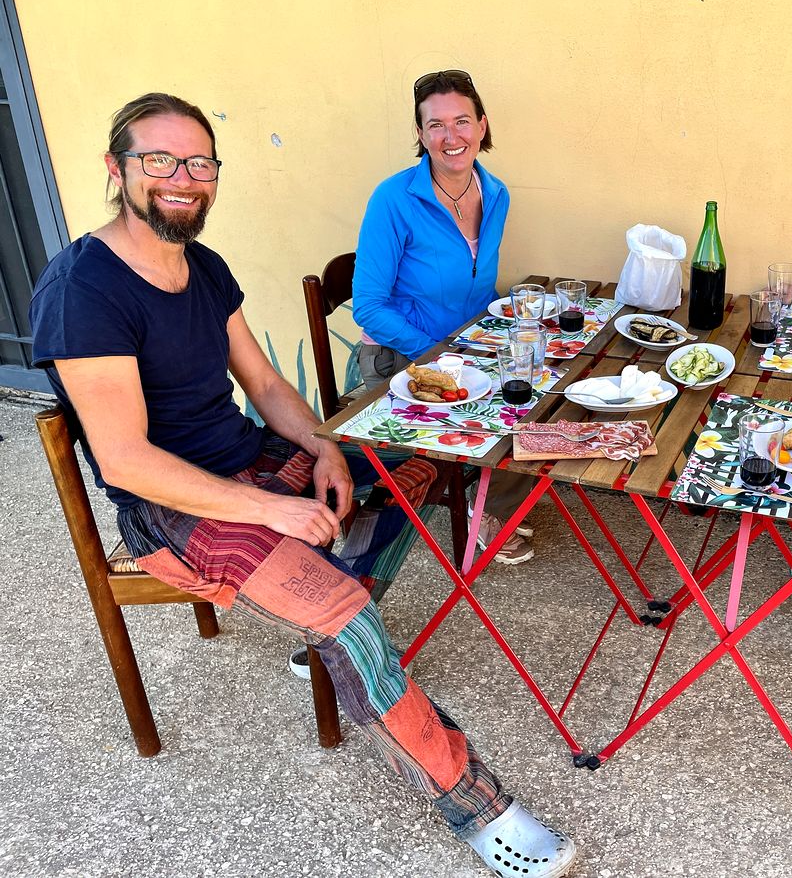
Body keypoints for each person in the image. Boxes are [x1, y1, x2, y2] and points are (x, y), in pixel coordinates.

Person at [29, 92, 576, 878]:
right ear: (118, 170)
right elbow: (126, 462)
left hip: (248, 460)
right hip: (170, 506)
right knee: (346, 616)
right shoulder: (84, 286)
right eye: (159, 160)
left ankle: (335, 629)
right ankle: (476, 807)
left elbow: (263, 381)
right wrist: (273, 509)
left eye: (199, 163)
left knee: (414, 463)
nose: (182, 178)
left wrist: (321, 445)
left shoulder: (203, 267)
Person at [352, 69, 536, 565]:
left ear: (481, 126)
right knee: (513, 410)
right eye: (435, 125)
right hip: (400, 356)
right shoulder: (393, 199)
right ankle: (484, 510)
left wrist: (511, 322)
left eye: (461, 121)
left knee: (538, 390)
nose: (450, 137)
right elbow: (368, 305)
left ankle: (487, 500)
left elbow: (477, 284)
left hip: (464, 348)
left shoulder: (495, 193)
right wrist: (438, 357)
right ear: (420, 134)